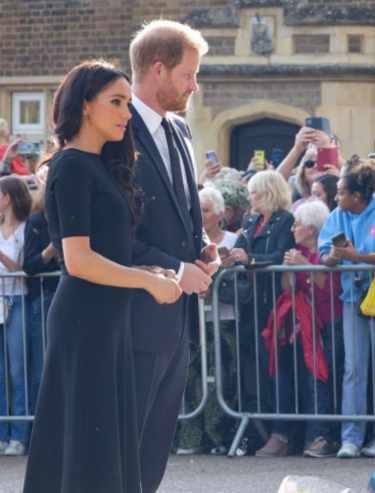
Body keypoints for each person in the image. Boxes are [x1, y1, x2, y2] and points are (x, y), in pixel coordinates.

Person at [22, 60, 182, 493]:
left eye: (128, 102)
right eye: (116, 102)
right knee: (85, 443)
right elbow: (79, 261)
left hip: (109, 319)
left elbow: (106, 253)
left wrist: (145, 270)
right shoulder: (71, 166)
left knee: (104, 442)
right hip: (84, 320)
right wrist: (147, 282)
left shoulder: (101, 165)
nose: (126, 113)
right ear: (85, 106)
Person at [128, 20, 220, 493]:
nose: (194, 85)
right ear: (158, 70)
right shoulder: (115, 131)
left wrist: (203, 247)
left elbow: (183, 210)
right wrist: (178, 269)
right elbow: (115, 234)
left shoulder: (181, 129)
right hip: (134, 313)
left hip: (178, 317)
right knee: (129, 439)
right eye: (188, 75)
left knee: (157, 439)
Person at [319, 158, 375, 459]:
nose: (336, 196)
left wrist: (357, 255)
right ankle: (350, 439)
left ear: (357, 195)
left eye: (341, 192)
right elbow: (323, 254)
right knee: (353, 369)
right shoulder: (337, 215)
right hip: (350, 298)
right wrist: (332, 258)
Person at [258, 200, 343, 457]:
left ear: (312, 228)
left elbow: (330, 289)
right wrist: (289, 268)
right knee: (311, 380)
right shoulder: (297, 252)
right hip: (306, 325)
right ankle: (314, 436)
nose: (292, 229)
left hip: (330, 322)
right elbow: (288, 288)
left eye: (297, 224)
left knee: (327, 379)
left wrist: (303, 268)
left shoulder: (326, 252)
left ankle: (327, 437)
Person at [220, 170, 295, 453]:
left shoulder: (285, 220)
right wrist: (227, 258)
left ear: (268, 193)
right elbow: (237, 252)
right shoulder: (252, 221)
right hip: (254, 306)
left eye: (254, 192)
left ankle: (281, 433)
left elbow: (280, 256)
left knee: (278, 368)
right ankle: (266, 430)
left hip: (275, 304)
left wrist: (249, 258)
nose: (249, 197)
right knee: (261, 370)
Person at [175, 186, 239, 455]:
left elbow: (239, 283)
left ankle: (218, 436)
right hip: (194, 319)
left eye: (206, 210)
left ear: (221, 214)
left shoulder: (234, 240)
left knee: (222, 377)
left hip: (224, 320)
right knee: (190, 377)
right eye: (197, 210)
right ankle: (191, 436)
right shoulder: (187, 239)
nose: (200, 215)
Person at [0, 176, 32, 456]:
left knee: (17, 372)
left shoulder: (25, 228)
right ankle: (3, 434)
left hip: (18, 300)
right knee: (0, 373)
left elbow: (18, 267)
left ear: (7, 198)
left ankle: (19, 435)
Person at [22, 184, 59, 415]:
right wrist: (50, 251)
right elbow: (29, 265)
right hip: (43, 299)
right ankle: (39, 425)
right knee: (42, 366)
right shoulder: (36, 221)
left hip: (64, 296)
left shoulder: (66, 220)